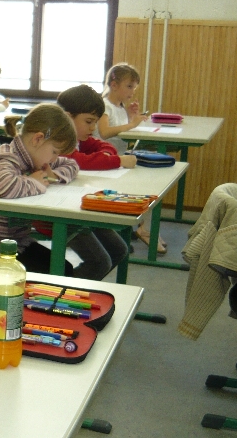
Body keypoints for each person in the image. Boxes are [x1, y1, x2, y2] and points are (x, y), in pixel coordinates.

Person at [0, 104, 79, 271]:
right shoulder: (7, 156)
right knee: (59, 271)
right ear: (38, 139)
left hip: (10, 242)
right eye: (54, 152)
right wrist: (35, 182)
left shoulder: (31, 158)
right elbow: (4, 186)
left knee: (63, 268)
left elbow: (71, 165)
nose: (54, 159)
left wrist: (52, 174)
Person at [56, 84, 133, 280]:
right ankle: (61, 292)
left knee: (119, 250)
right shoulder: (57, 139)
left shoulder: (78, 137)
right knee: (99, 262)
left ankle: (76, 290)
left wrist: (107, 155)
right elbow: (78, 160)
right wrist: (116, 161)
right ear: (67, 117)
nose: (93, 128)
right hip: (56, 213)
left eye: (96, 122)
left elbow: (104, 146)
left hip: (76, 205)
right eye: (89, 121)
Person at [97, 63, 165, 253]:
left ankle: (144, 228)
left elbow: (120, 130)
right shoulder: (104, 105)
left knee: (153, 180)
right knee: (142, 183)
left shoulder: (119, 106)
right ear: (114, 85)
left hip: (119, 159)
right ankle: (142, 230)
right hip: (105, 160)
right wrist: (132, 124)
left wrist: (130, 115)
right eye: (129, 86)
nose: (132, 91)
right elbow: (105, 132)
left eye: (134, 87)